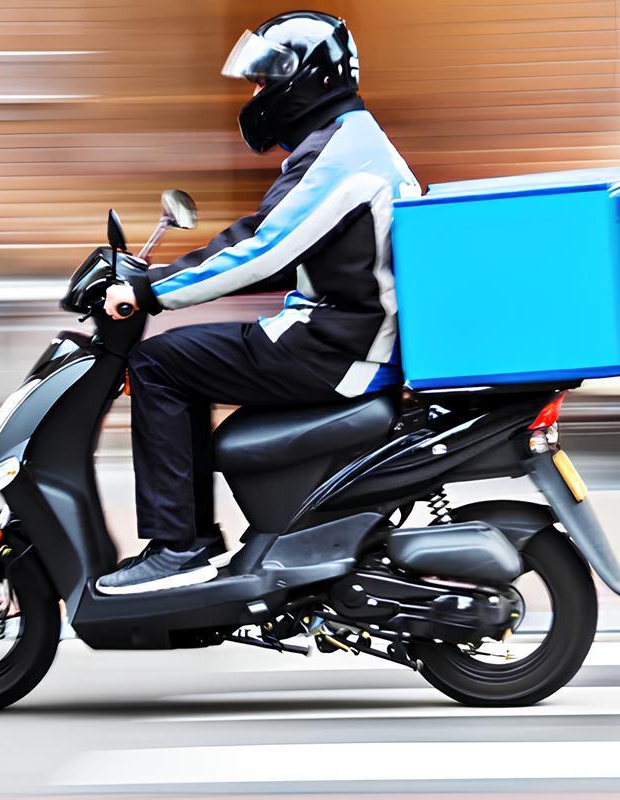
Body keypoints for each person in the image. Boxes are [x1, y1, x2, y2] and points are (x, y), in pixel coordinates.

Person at [96, 11, 420, 595]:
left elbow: (262, 249)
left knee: (158, 364)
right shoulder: (350, 141)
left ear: (310, 78)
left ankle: (179, 548)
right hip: (347, 336)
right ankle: (189, 541)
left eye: (265, 81)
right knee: (183, 357)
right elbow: (280, 240)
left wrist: (147, 291)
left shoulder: (340, 153)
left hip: (336, 347)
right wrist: (170, 281)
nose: (256, 96)